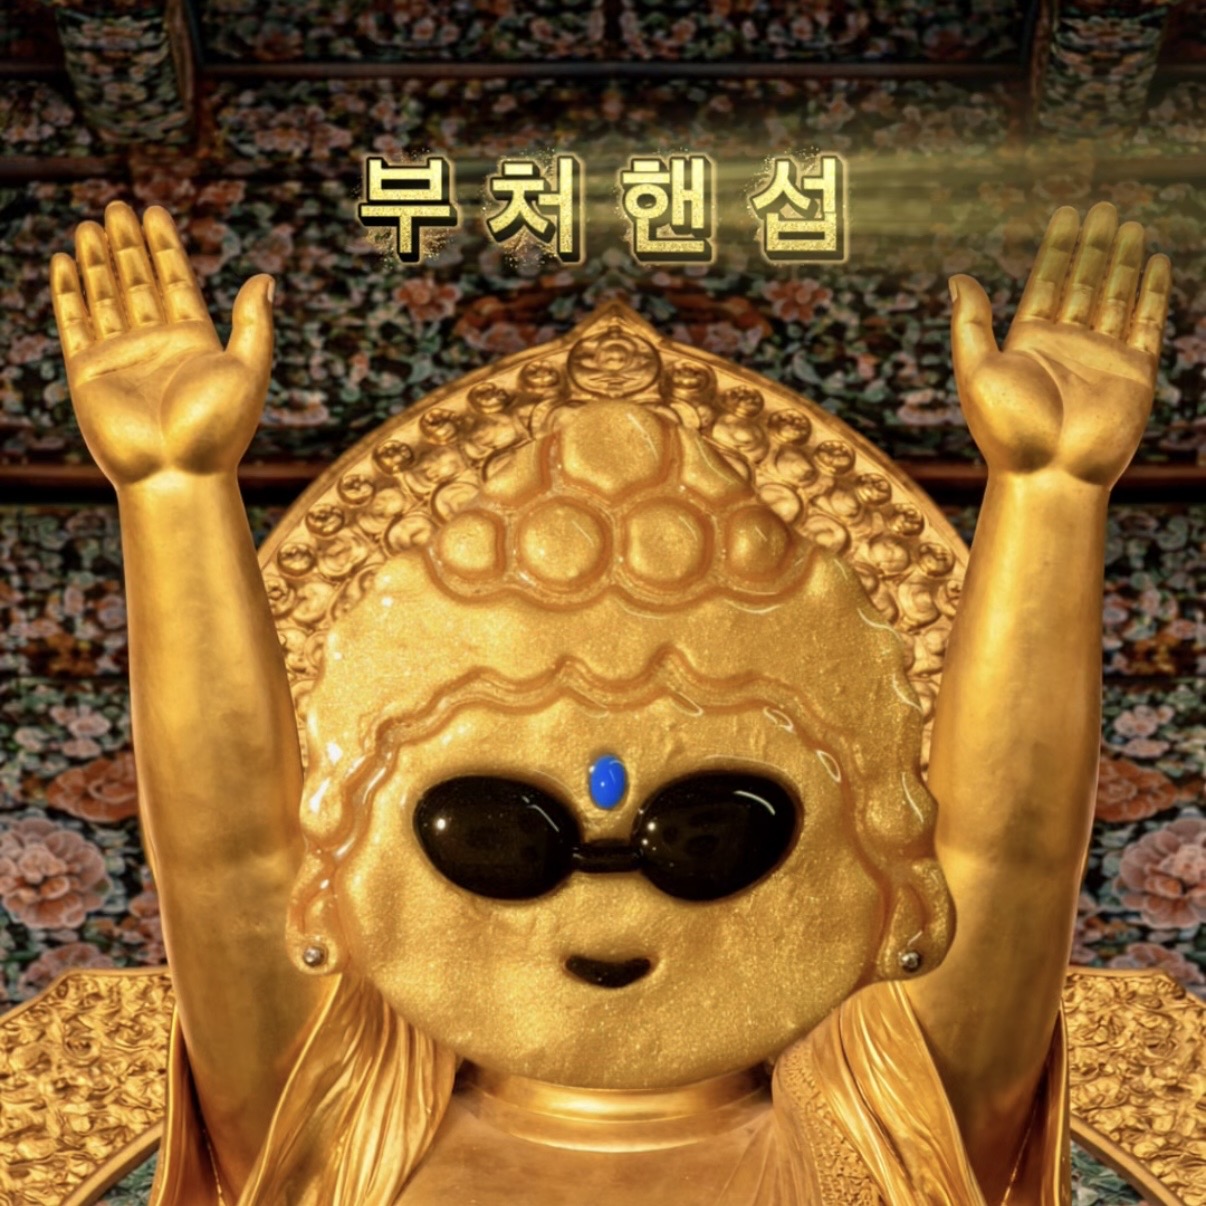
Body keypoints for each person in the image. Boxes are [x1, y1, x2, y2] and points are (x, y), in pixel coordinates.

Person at [49, 201, 1170, 1205]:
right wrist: (172, 492)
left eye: (713, 832)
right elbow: (227, 862)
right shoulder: (350, 1127)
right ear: (331, 892)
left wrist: (1053, 494)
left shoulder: (875, 1129)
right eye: (496, 834)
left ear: (893, 889)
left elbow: (1010, 855)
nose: (606, 873)